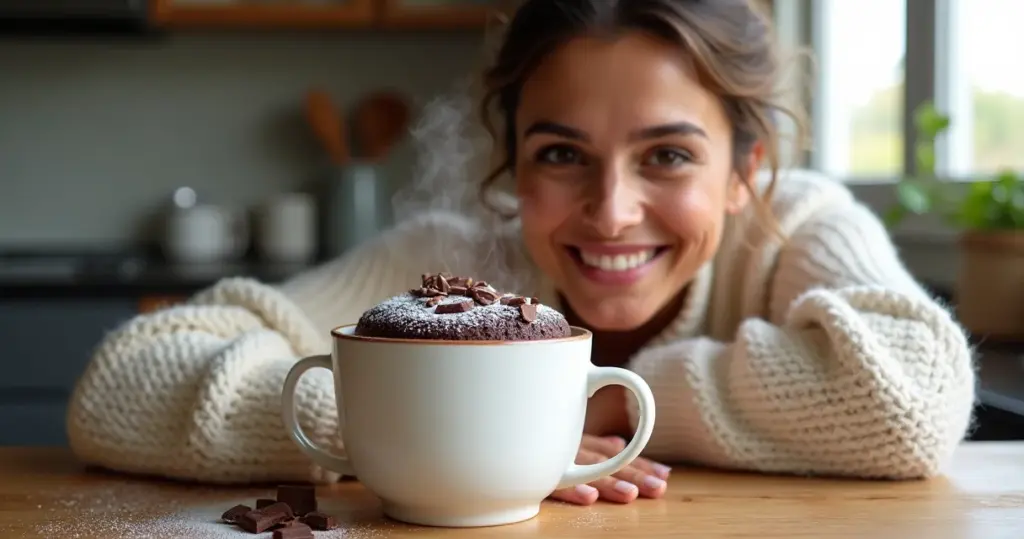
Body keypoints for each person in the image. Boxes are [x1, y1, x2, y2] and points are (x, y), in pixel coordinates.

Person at [67, 0, 976, 507]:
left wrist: (619, 407)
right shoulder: (455, 259)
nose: (612, 211)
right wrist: (405, 432)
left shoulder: (796, 225)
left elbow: (917, 400)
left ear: (748, 170)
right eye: (561, 154)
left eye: (667, 155)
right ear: (512, 163)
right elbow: (125, 381)